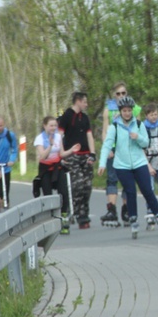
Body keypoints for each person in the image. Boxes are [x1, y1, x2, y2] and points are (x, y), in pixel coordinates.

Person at [98, 96, 158, 239]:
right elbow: (107, 145)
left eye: (129, 110)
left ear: (132, 111)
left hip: (139, 163)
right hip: (122, 165)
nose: (127, 113)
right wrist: (101, 164)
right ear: (120, 111)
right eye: (124, 111)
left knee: (147, 190)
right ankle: (133, 221)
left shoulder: (138, 125)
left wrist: (137, 137)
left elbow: (146, 144)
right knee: (130, 192)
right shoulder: (115, 127)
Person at [101, 81, 142, 226]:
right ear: (114, 95)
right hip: (114, 147)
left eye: (123, 93)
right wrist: (107, 149)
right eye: (118, 94)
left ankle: (126, 208)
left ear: (127, 94)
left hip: (128, 149)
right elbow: (105, 130)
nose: (120, 96)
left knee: (127, 180)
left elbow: (138, 128)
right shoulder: (109, 109)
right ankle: (111, 209)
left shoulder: (134, 108)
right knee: (112, 179)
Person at [34, 116, 81, 235]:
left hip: (57, 167)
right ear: (45, 126)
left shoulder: (58, 136)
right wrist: (49, 145)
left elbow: (62, 153)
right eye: (51, 125)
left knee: (63, 192)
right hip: (45, 168)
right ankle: (50, 221)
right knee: (48, 195)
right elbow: (42, 156)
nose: (53, 128)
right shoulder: (40, 139)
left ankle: (64, 219)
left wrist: (71, 150)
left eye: (55, 125)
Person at [60, 92, 97, 229]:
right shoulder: (67, 116)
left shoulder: (85, 118)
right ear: (78, 101)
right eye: (84, 102)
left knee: (87, 187)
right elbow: (59, 135)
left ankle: (83, 216)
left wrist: (92, 153)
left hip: (85, 155)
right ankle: (69, 213)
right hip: (72, 155)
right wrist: (62, 155)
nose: (86, 104)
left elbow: (89, 135)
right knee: (77, 186)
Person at [0, 115, 18, 211]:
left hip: (6, 168)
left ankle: (7, 211)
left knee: (6, 192)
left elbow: (14, 149)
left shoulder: (10, 135)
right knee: (1, 191)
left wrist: (11, 160)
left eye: (1, 125)